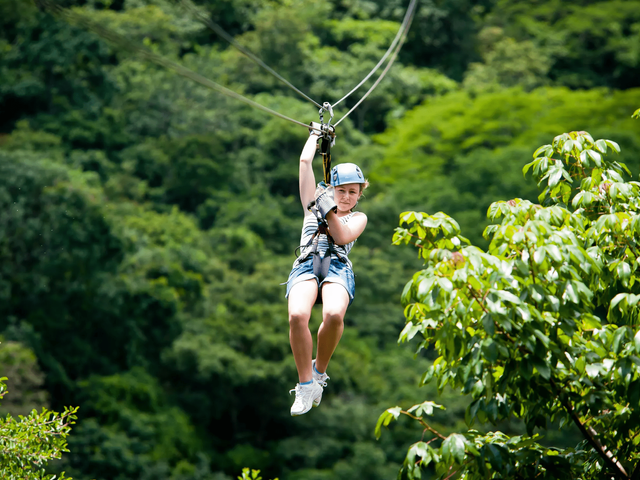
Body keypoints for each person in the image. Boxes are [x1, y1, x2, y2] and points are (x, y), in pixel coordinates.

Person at [284, 130, 368, 416]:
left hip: (337, 267)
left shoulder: (358, 217)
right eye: (341, 190)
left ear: (359, 195)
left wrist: (329, 209)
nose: (345, 197)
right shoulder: (312, 207)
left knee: (333, 314)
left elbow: (342, 237)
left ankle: (319, 372)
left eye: (352, 192)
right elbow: (305, 162)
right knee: (297, 315)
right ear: (331, 188)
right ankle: (305, 383)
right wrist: (314, 135)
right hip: (307, 262)